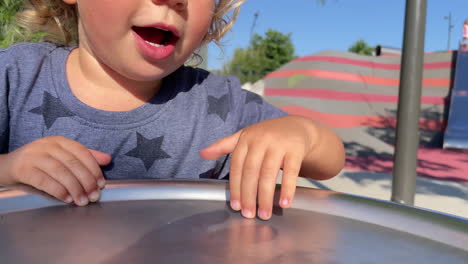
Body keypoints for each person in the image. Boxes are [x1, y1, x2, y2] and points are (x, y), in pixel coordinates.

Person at [0, 0, 345, 220]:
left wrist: (300, 133)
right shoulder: (16, 77)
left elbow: (330, 161)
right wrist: (10, 169)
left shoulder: (218, 103)